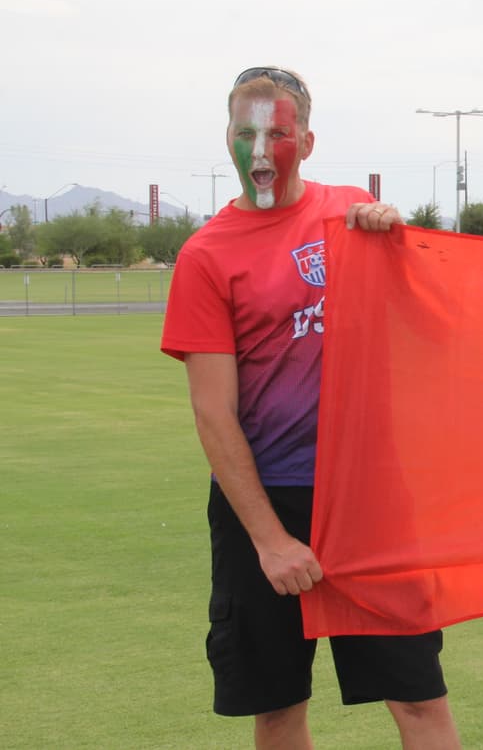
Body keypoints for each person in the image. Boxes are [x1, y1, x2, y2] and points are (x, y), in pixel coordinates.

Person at [161, 67, 461, 749]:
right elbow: (214, 414)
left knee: (420, 699)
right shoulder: (205, 256)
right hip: (266, 504)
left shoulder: (353, 214)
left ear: (308, 140)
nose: (261, 152)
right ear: (227, 139)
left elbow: (431, 322)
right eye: (246, 134)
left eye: (278, 133)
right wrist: (269, 540)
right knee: (279, 708)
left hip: (370, 501)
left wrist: (398, 247)